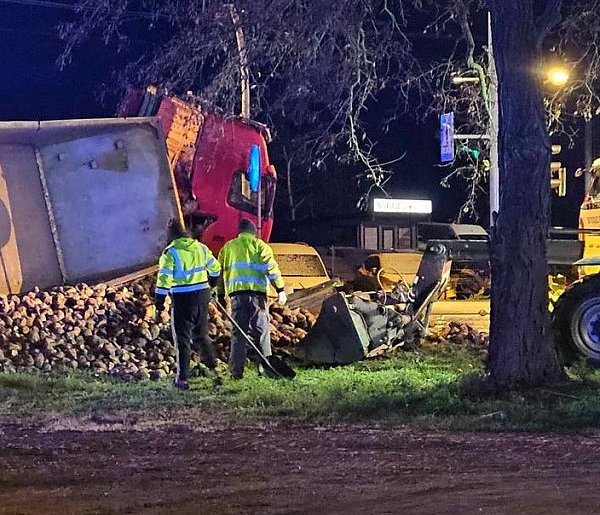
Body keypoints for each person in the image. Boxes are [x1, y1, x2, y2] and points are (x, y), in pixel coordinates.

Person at [154, 220, 221, 390]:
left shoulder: (171, 253)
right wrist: (211, 284)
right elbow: (216, 268)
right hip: (202, 296)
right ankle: (216, 370)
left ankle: (182, 379)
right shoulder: (200, 247)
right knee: (201, 334)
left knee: (182, 338)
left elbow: (164, 280)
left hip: (183, 299)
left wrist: (159, 304)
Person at [217, 219, 286, 379]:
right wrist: (280, 289)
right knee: (261, 333)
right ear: (254, 233)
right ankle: (267, 370)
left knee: (238, 335)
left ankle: (236, 373)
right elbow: (271, 268)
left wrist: (220, 294)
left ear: (239, 232)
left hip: (237, 297)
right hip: (257, 298)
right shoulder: (260, 246)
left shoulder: (228, 248)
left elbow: (219, 274)